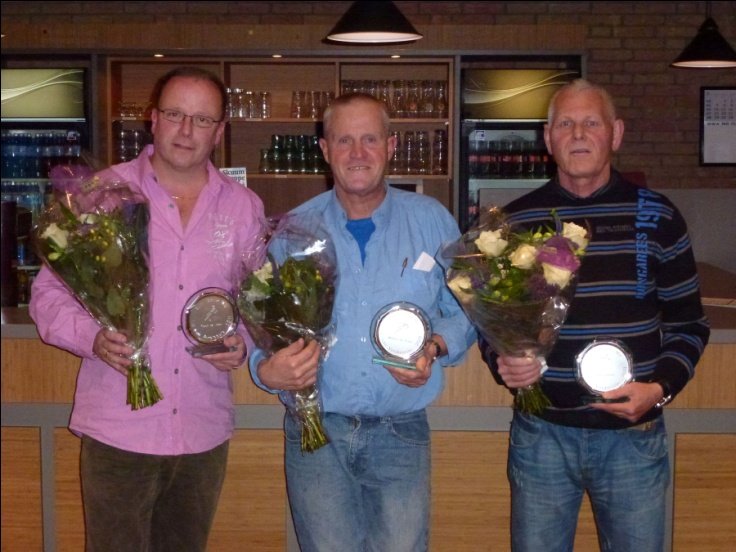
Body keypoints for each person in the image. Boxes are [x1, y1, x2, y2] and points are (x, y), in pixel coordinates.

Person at [30, 66, 265, 552]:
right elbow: (48, 297)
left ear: (220, 131)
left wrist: (240, 340)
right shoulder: (100, 196)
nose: (186, 130)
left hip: (202, 429)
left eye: (202, 120)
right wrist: (90, 337)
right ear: (152, 119)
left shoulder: (243, 208)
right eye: (176, 114)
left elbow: (255, 301)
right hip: (119, 428)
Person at [480, 79, 711, 551]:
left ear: (616, 133)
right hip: (543, 436)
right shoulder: (516, 223)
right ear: (548, 138)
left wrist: (660, 388)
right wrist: (503, 360)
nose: (578, 134)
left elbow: (689, 325)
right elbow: (492, 325)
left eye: (591, 123)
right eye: (565, 123)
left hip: (633, 438)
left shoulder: (659, 217)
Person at [248, 93, 476, 552]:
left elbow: (467, 309)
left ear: (391, 146)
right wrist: (263, 369)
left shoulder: (432, 222)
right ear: (325, 149)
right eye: (344, 140)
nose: (357, 153)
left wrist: (434, 346)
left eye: (369, 139)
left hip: (401, 431)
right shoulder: (294, 229)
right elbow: (262, 324)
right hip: (316, 433)